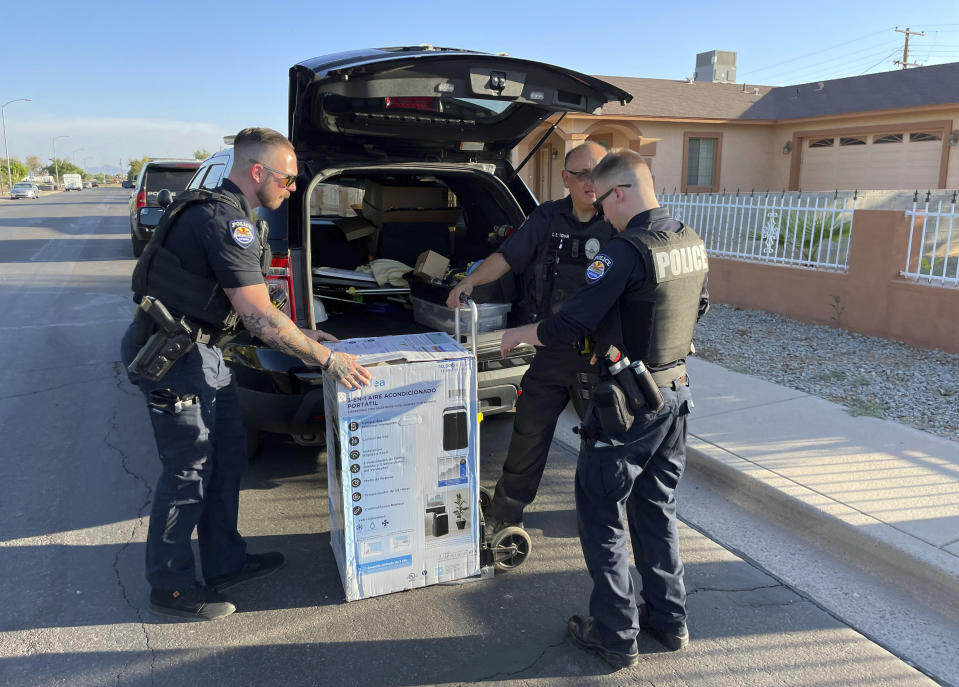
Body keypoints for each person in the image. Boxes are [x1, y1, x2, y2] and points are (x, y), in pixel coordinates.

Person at [120, 127, 371, 621]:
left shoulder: (236, 214)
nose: (293, 188)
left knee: (229, 457)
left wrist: (302, 333)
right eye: (289, 178)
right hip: (175, 358)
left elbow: (250, 307)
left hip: (207, 354)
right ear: (257, 171)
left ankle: (224, 562)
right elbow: (257, 316)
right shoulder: (221, 220)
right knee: (188, 472)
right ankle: (169, 587)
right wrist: (327, 360)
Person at [500, 150, 709, 668]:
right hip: (675, 395)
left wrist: (519, 335)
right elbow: (697, 307)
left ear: (619, 192)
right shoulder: (688, 239)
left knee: (601, 514)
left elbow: (571, 322)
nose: (604, 213)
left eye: (605, 200)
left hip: (629, 405)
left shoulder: (626, 251)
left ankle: (615, 634)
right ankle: (669, 620)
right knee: (656, 509)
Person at [446, 141, 613, 533]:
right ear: (566, 178)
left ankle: (604, 517)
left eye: (599, 172)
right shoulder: (547, 218)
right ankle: (506, 513)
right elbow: (508, 257)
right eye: (583, 174)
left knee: (604, 442)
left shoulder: (621, 221)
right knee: (528, 430)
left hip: (600, 357)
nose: (592, 182)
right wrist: (469, 280)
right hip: (551, 348)